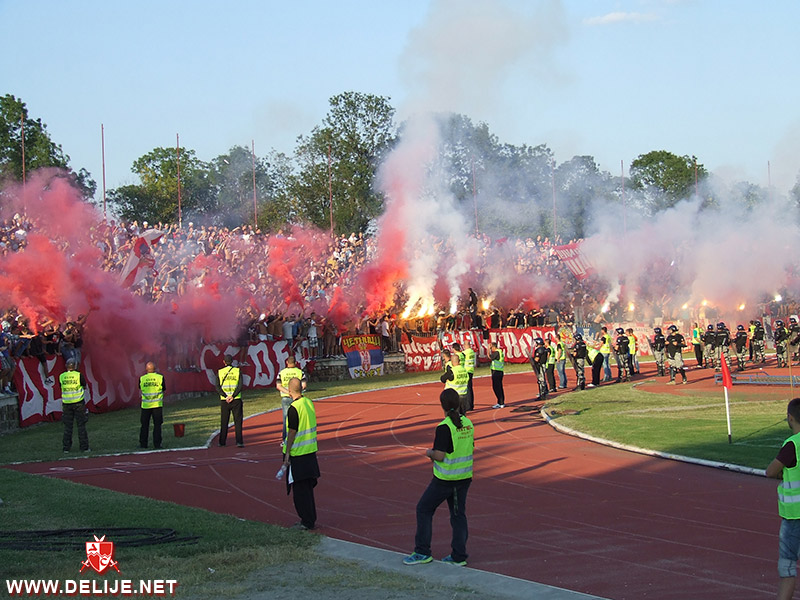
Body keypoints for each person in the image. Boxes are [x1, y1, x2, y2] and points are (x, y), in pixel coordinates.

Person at [403, 388, 474, 567]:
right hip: (464, 477)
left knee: (423, 509)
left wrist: (429, 453)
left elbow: (440, 456)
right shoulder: (468, 423)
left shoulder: (444, 427)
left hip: (445, 478)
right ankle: (459, 555)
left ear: (442, 405)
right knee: (458, 515)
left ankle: (422, 551)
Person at [766, 398, 800, 600]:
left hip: (794, 516)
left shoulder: (792, 445)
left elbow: (771, 471)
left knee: (787, 567)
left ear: (790, 418)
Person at [281, 377, 320, 531]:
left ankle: (306, 521)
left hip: (298, 455)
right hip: (310, 452)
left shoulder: (293, 408)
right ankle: (310, 518)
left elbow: (292, 432)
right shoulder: (309, 403)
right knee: (308, 490)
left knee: (300, 491)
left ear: (290, 391)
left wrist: (287, 454)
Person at [59, 357, 89, 453]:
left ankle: (66, 448)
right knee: (81, 426)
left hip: (66, 404)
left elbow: (61, 387)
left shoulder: (62, 376)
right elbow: (84, 386)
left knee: (68, 427)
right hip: (78, 403)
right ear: (75, 366)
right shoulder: (78, 375)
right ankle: (84, 447)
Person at [276, 356, 307, 444]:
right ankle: (299, 438)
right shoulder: (300, 372)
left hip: (286, 397)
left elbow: (278, 386)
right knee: (300, 418)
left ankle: (285, 439)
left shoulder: (282, 372)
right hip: (298, 398)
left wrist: (288, 392)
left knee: (286, 419)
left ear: (287, 362)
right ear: (296, 363)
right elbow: (304, 385)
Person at [215, 354, 244, 447]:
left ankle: (222, 442)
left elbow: (217, 386)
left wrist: (225, 395)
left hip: (224, 400)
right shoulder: (237, 371)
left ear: (224, 362)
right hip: (236, 399)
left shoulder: (220, 372)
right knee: (238, 421)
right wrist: (233, 395)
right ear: (232, 361)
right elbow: (240, 385)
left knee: (224, 421)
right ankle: (239, 441)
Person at [139, 361, 165, 449]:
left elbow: (140, 388)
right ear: (155, 368)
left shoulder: (142, 378)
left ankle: (143, 444)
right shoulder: (160, 377)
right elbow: (164, 388)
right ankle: (157, 444)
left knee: (144, 425)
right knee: (157, 425)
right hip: (157, 405)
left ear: (146, 369)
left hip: (145, 405)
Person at [440, 351, 470, 415]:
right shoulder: (464, 369)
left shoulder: (452, 371)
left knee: (452, 415)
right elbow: (467, 379)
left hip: (454, 396)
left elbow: (442, 379)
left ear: (452, 362)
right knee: (463, 415)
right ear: (459, 361)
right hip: (463, 394)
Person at [489, 341, 505, 409]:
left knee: (497, 387)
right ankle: (500, 402)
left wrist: (488, 350)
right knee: (499, 387)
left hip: (497, 372)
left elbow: (490, 357)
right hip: (498, 371)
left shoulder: (497, 352)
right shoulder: (499, 352)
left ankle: (501, 402)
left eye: (491, 347)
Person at [461, 339, 477, 410]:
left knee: (467, 389)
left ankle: (468, 405)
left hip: (466, 370)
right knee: (470, 388)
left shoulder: (465, 352)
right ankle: (470, 404)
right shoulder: (472, 351)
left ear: (465, 345)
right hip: (471, 370)